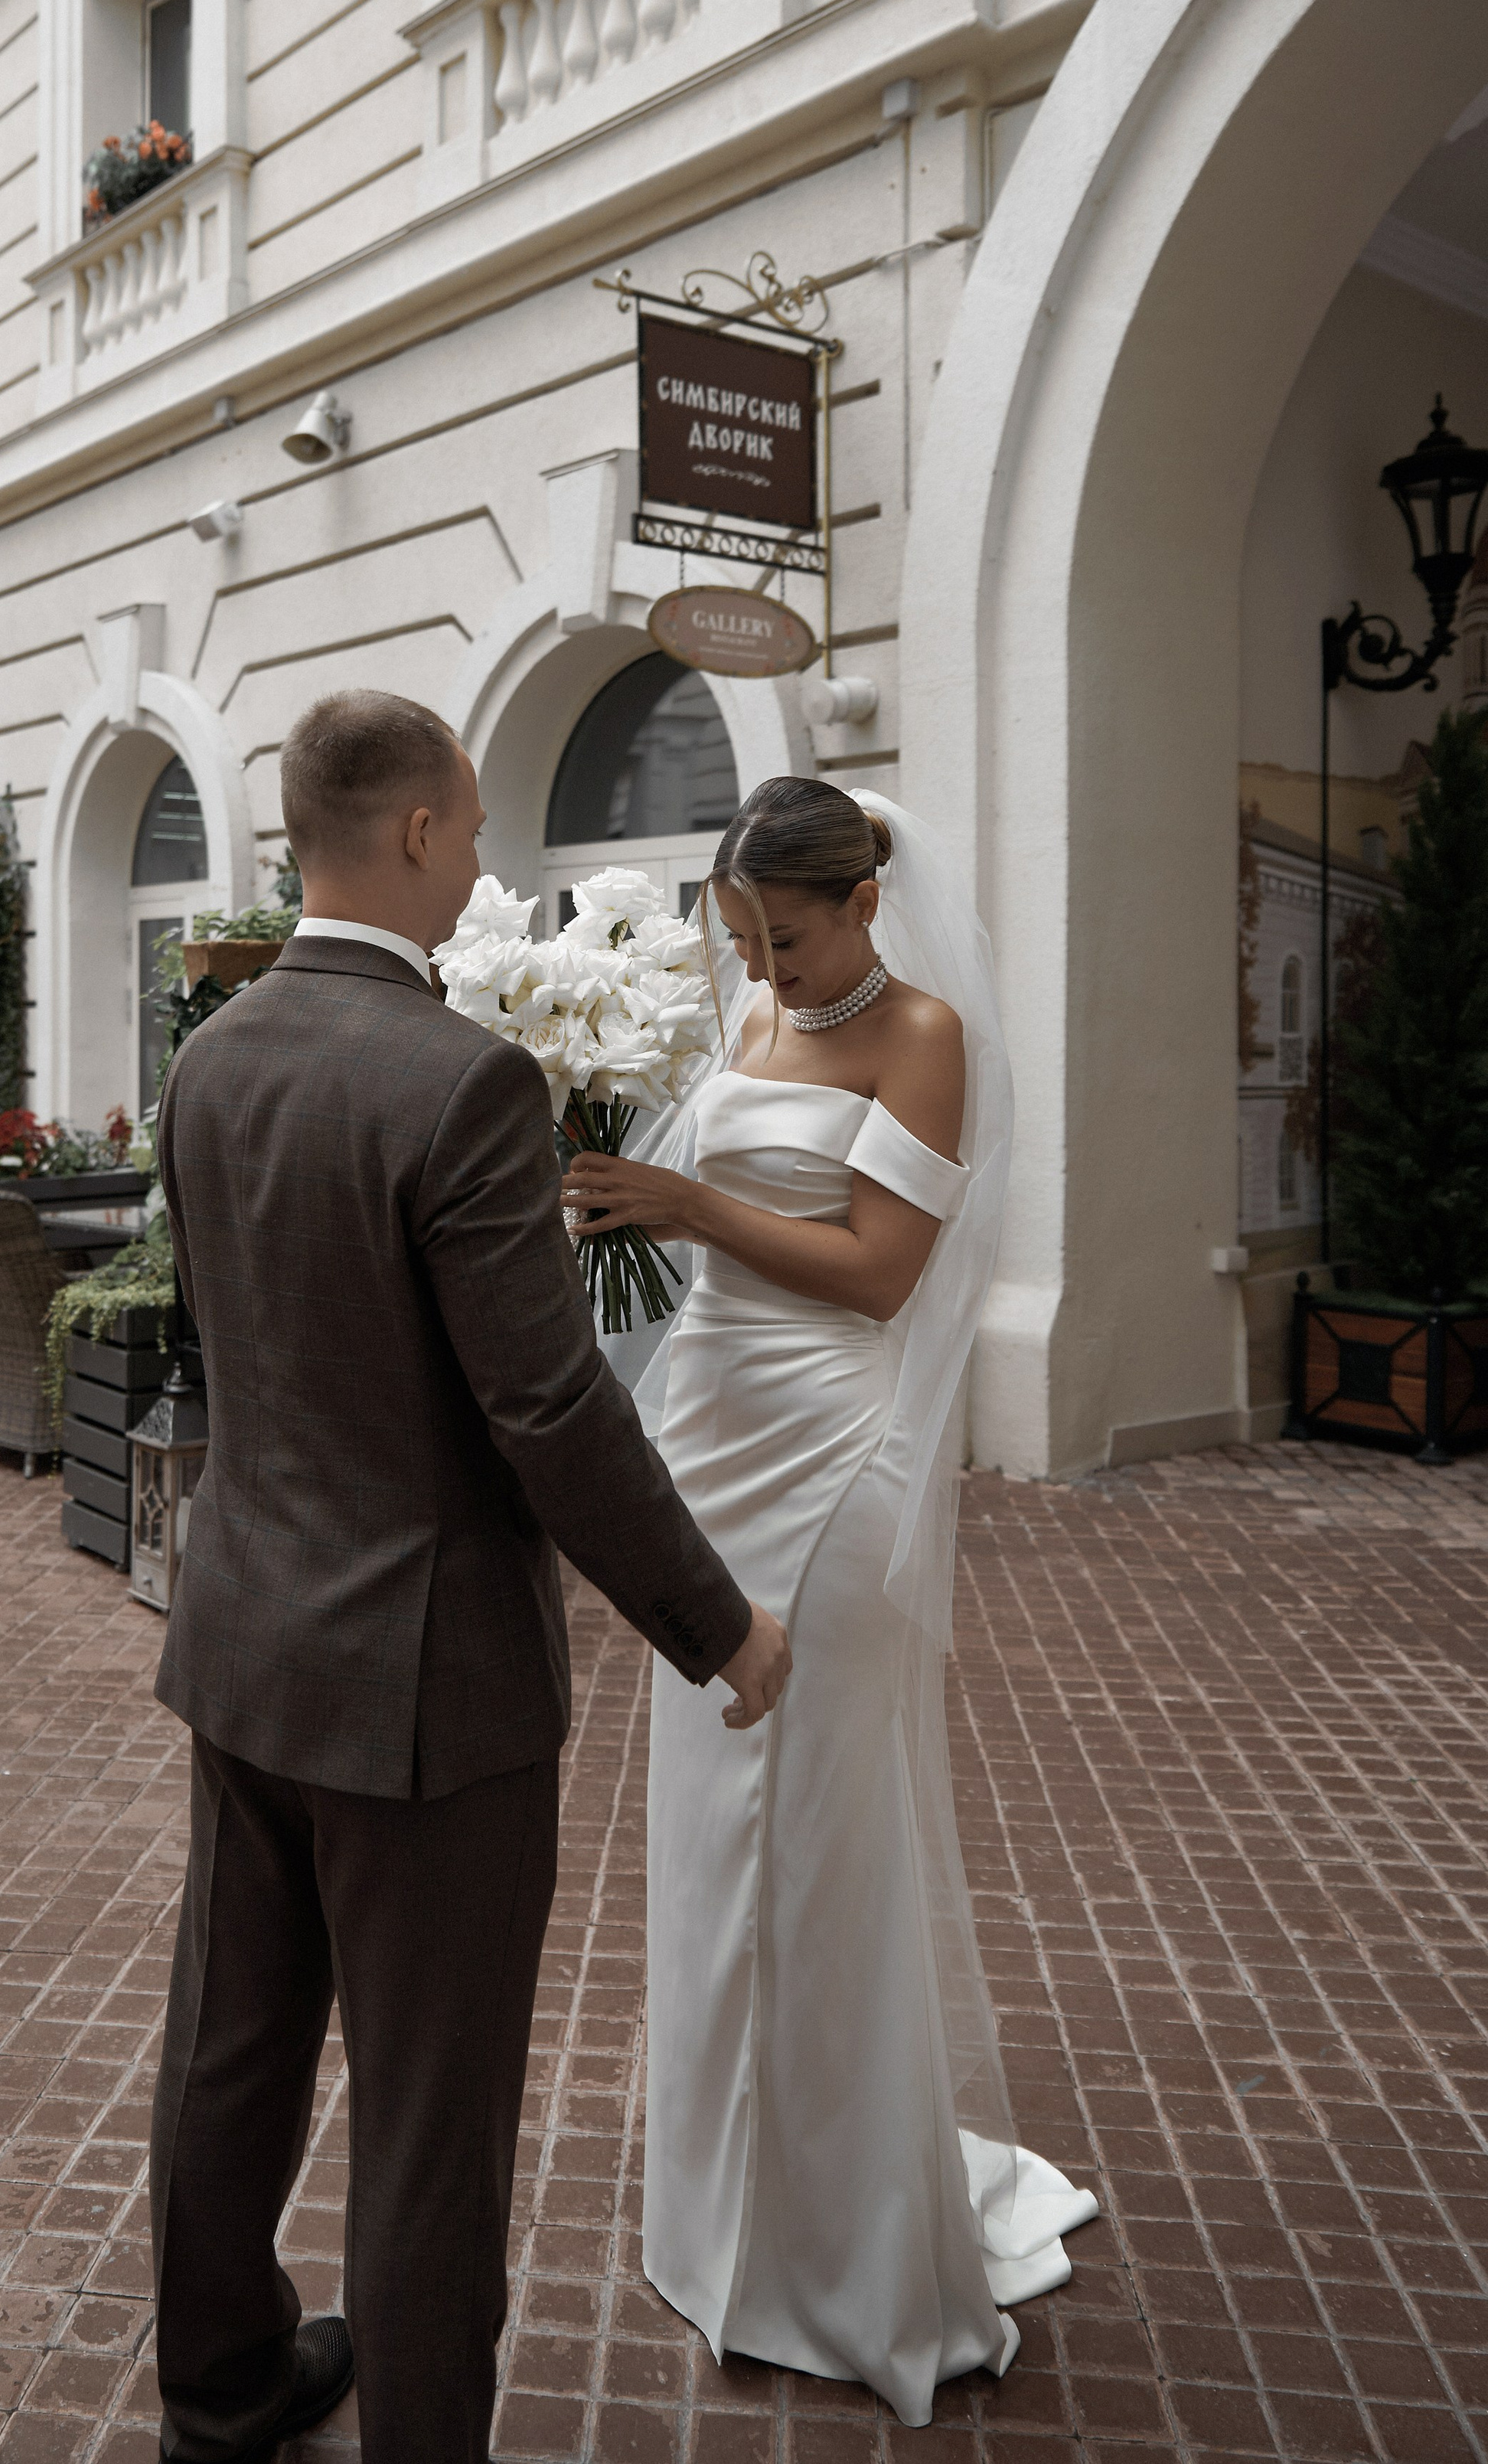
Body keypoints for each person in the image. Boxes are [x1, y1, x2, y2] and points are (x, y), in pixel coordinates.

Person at [147, 688, 791, 2464]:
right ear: (420, 833)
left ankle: (216, 2395)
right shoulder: (462, 1076)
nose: (488, 855)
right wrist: (715, 1621)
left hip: (244, 1642)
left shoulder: (209, 1055)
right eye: (478, 825)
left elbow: (233, 1344)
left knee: (231, 2041)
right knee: (431, 2118)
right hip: (425, 1694)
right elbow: (548, 1408)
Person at [561, 777, 1098, 2429]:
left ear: (862, 896)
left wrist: (683, 1203)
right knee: (705, 1825)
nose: (764, 971)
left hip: (830, 1456)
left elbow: (878, 1267)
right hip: (710, 1436)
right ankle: (722, 2216)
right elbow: (691, 1227)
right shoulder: (744, 1004)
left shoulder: (918, 1032)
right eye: (741, 940)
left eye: (783, 936)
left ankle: (841, 2239)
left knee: (812, 1840)